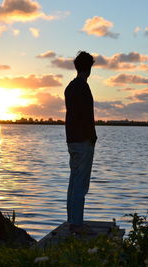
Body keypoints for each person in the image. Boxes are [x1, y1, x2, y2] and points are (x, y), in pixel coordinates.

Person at [64, 51, 97, 234]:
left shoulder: (70, 87)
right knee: (80, 184)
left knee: (74, 181)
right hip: (83, 141)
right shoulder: (83, 87)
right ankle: (77, 224)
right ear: (89, 68)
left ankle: (72, 220)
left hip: (72, 140)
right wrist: (92, 138)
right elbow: (86, 117)